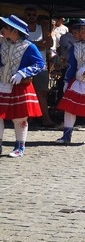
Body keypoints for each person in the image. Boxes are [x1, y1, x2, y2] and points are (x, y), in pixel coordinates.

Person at [0, 15, 45, 157]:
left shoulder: (29, 46)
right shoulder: (3, 43)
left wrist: (22, 73)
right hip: (2, 83)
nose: (2, 30)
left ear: (14, 30)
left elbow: (40, 64)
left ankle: (19, 147)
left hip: (19, 86)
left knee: (19, 118)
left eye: (5, 27)